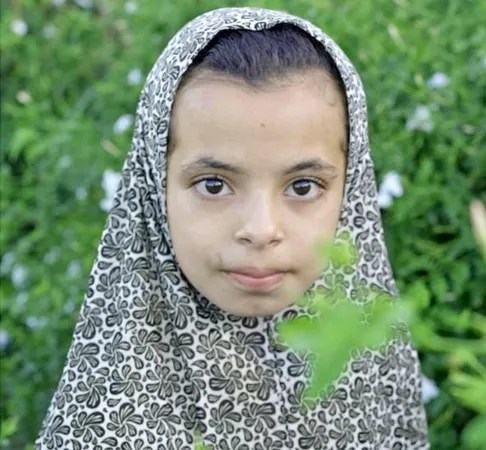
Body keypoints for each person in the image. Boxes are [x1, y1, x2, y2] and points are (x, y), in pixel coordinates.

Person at [36, 7, 429, 450]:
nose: (260, 230)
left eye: (303, 186)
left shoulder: (373, 371)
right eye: (214, 184)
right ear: (154, 183)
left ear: (350, 187)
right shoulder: (107, 424)